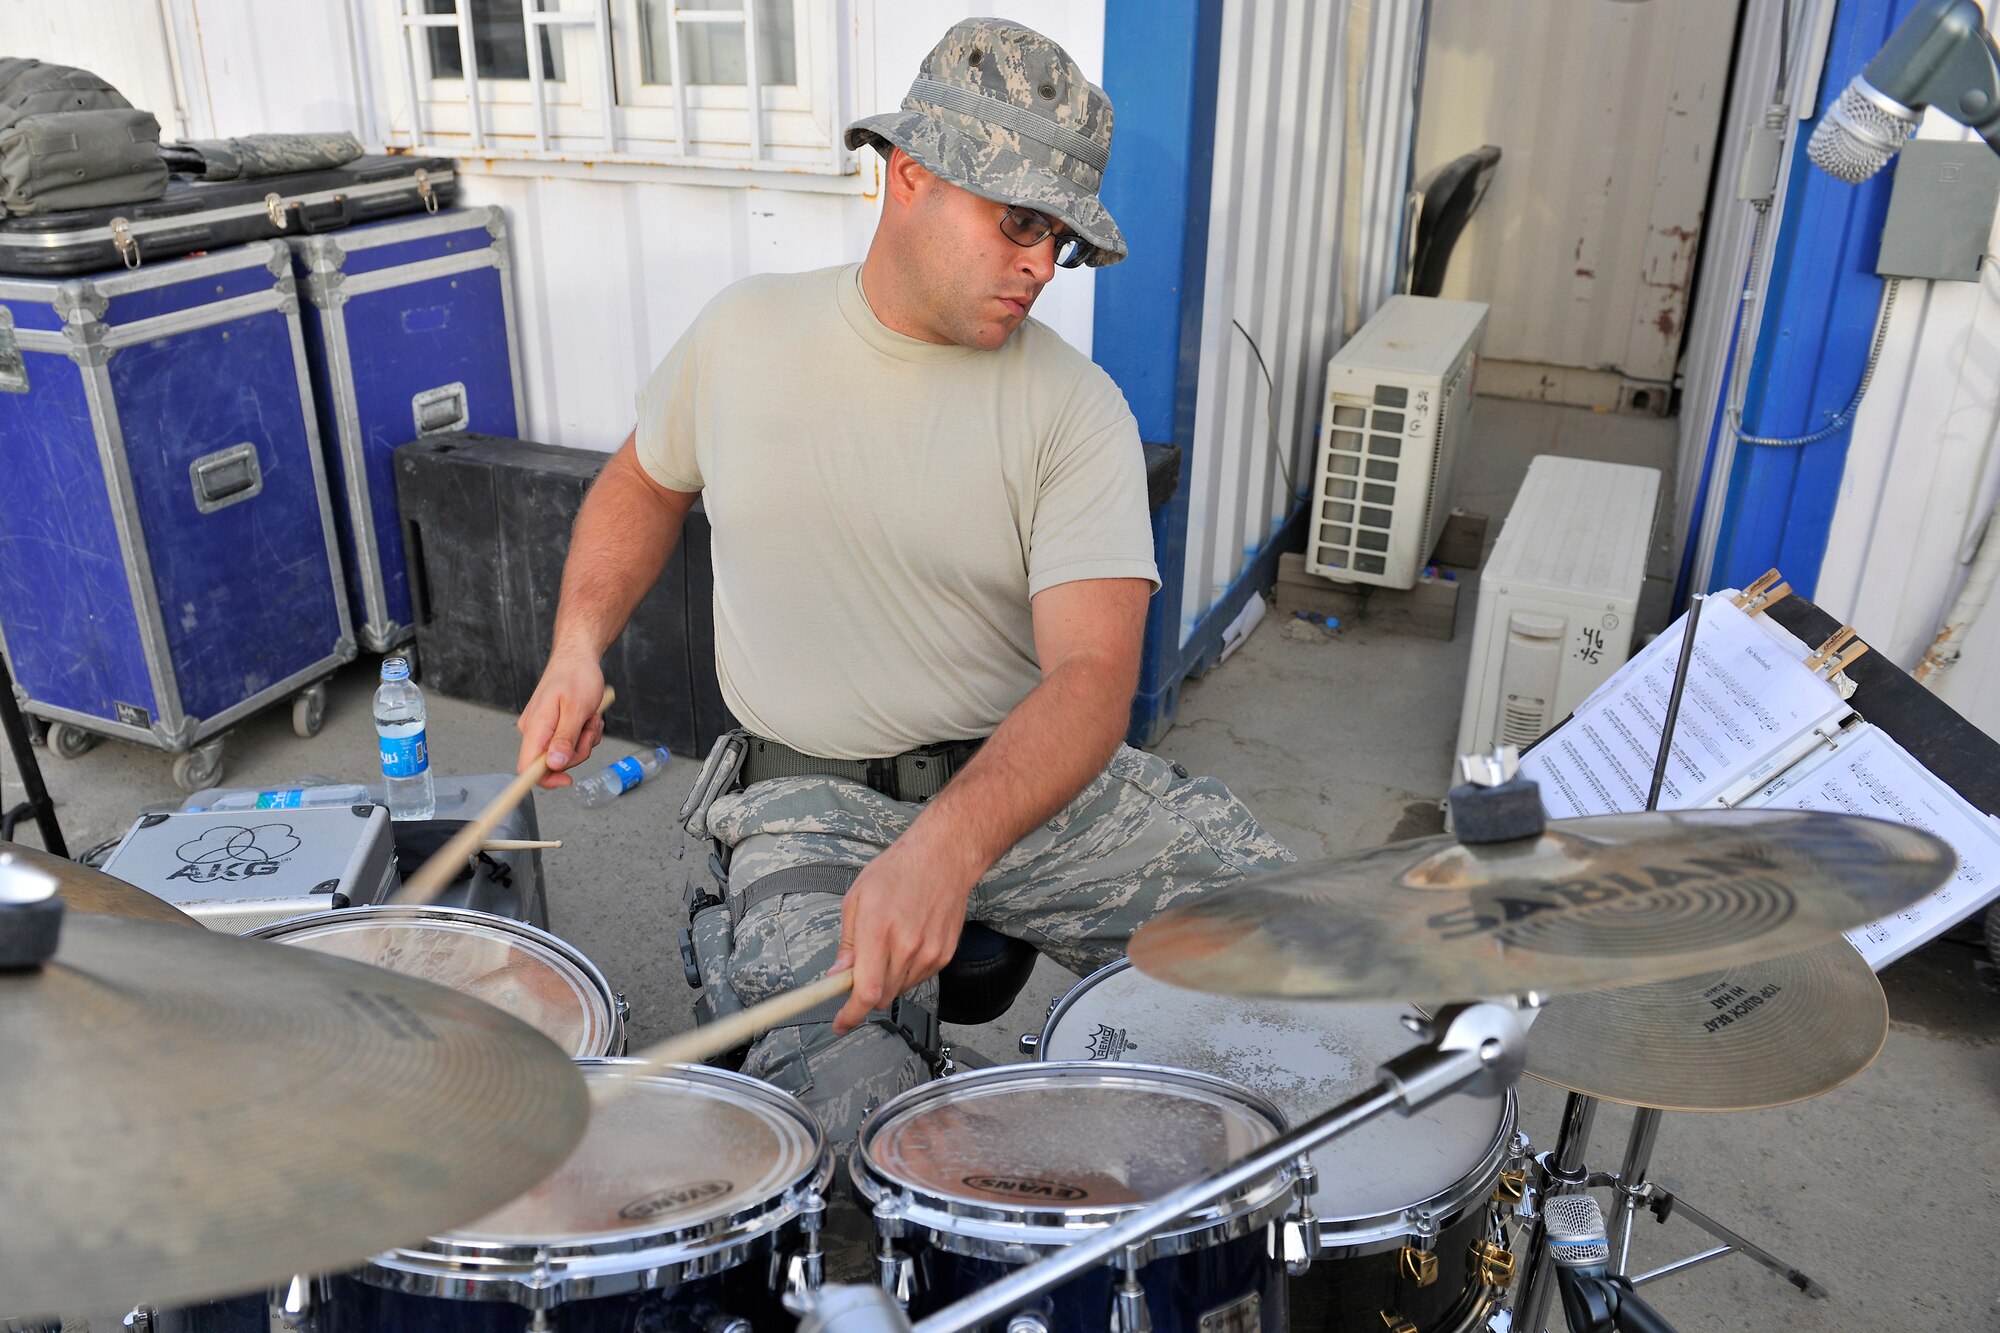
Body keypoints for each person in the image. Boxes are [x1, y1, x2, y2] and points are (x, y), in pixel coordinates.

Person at [516, 17, 1292, 1143]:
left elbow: (1089, 677)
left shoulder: (1075, 412)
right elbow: (643, 482)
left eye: (1060, 240)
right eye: (1016, 222)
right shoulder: (744, 335)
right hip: (805, 795)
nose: (1039, 265)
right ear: (909, 177)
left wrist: (949, 844)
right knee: (852, 1131)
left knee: (1313, 961)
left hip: (1021, 787)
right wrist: (577, 646)